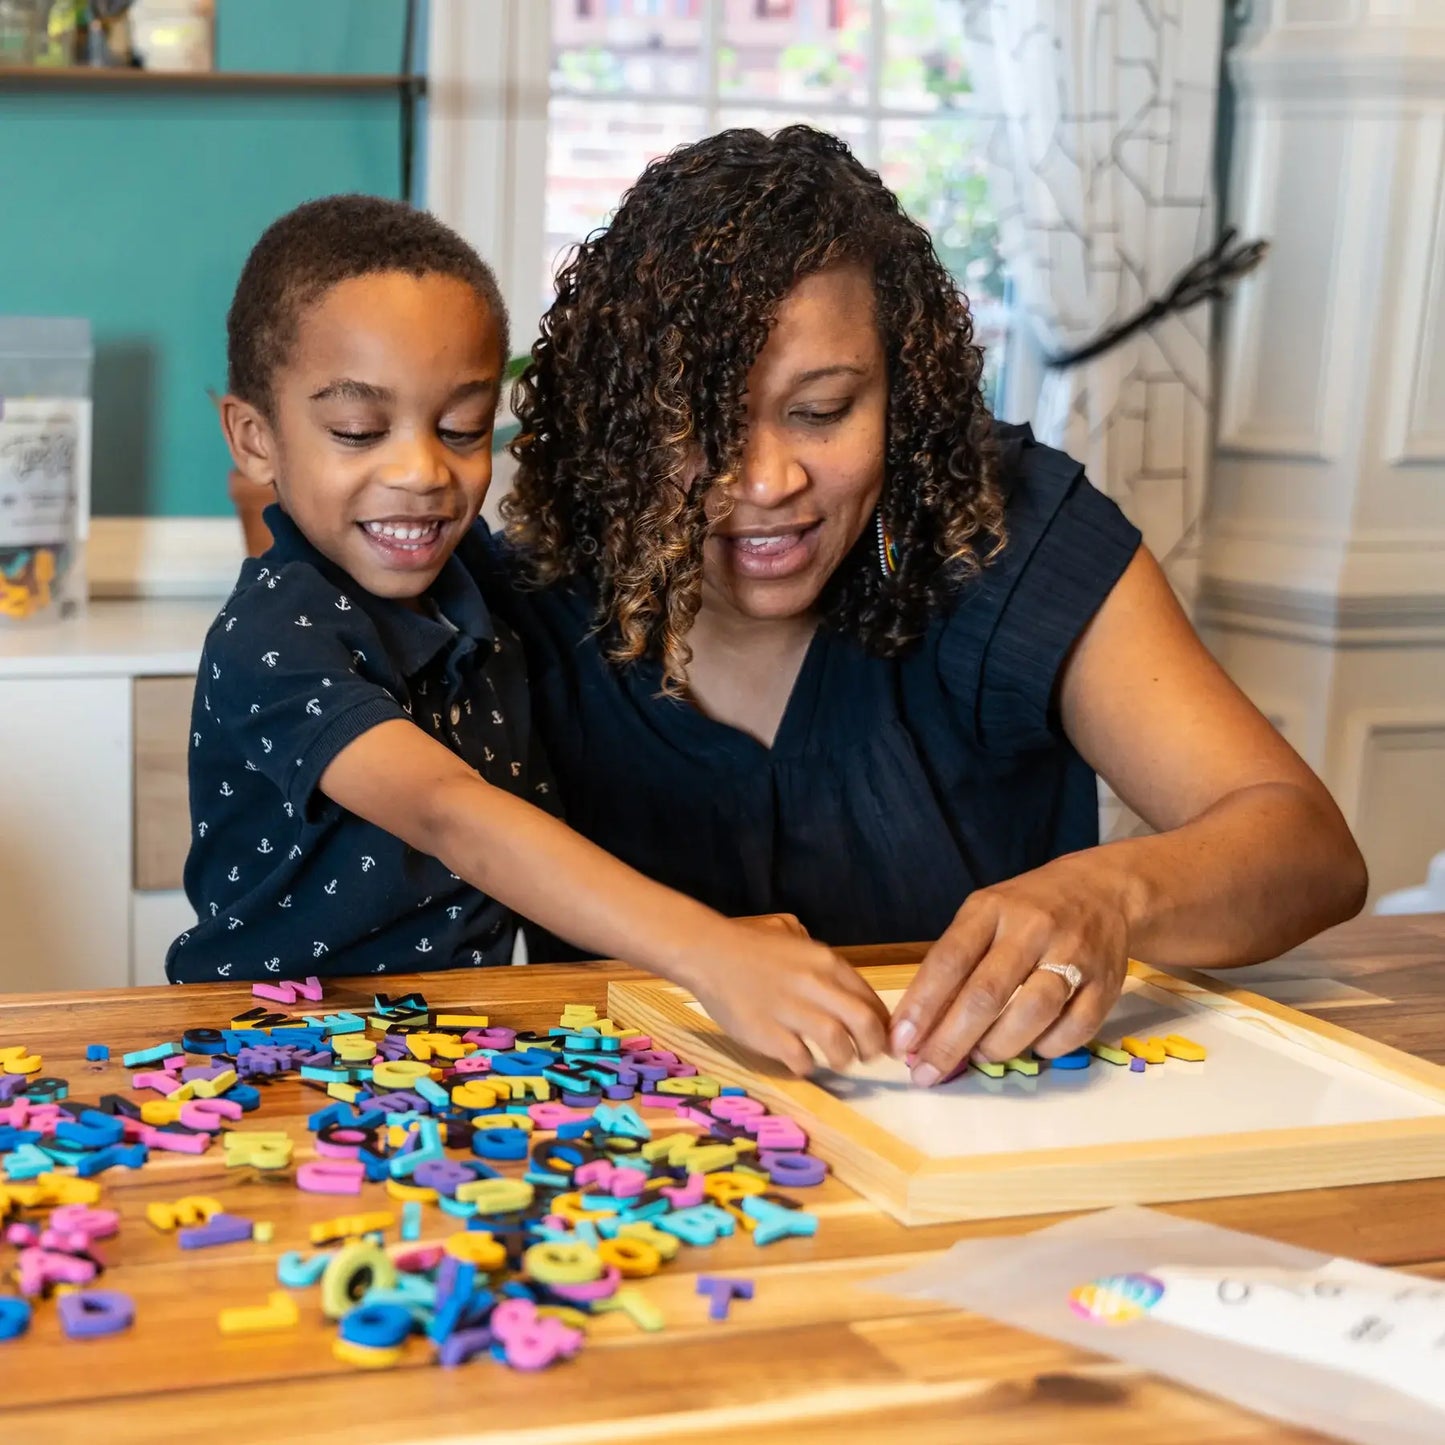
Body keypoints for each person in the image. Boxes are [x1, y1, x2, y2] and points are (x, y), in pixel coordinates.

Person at [489, 125, 1369, 1088]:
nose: (768, 480)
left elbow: (1309, 851)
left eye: (821, 411)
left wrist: (1112, 893)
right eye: (701, 424)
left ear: (899, 399)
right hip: (633, 1148)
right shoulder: (524, 598)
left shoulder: (1006, 538)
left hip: (989, 1134)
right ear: (621, 425)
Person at [165, 193, 890, 1080]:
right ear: (255, 439)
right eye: (358, 431)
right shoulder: (272, 637)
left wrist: (729, 947)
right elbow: (448, 811)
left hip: (435, 1048)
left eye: (461, 429)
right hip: (270, 1052)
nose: (421, 470)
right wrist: (704, 948)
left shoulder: (474, 579)